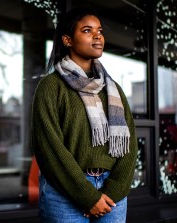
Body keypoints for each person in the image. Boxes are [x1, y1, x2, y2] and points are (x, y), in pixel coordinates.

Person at [31, 7, 138, 223]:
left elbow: (130, 144)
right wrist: (88, 196)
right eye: (87, 30)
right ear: (67, 40)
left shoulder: (113, 89)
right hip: (64, 192)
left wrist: (113, 191)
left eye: (99, 30)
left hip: (112, 193)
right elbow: (49, 148)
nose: (98, 36)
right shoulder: (51, 86)